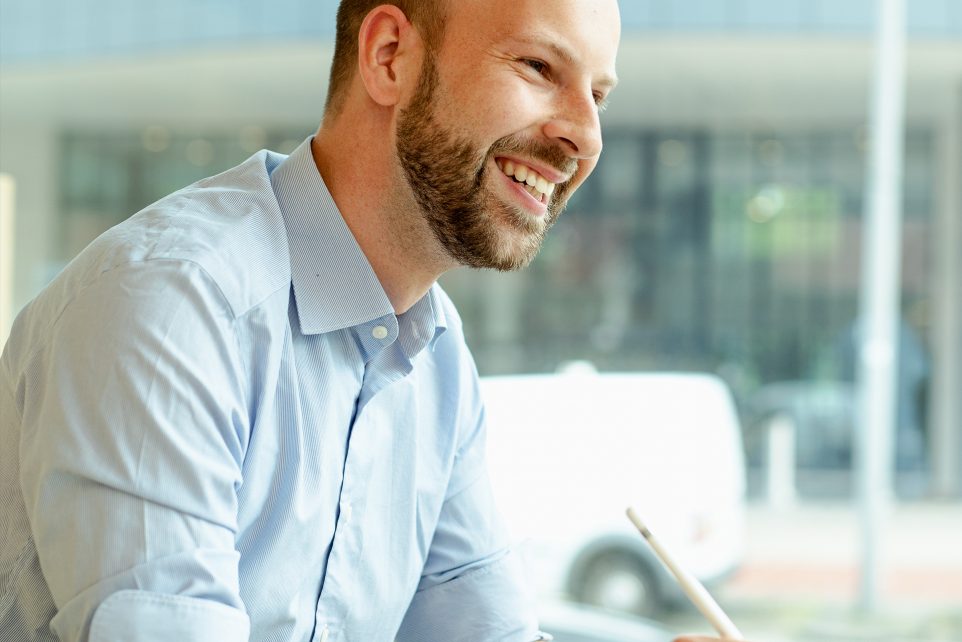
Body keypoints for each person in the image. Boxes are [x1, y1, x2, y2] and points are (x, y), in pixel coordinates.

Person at [0, 1, 738, 641]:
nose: (587, 135)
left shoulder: (436, 354)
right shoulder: (171, 306)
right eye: (540, 68)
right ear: (390, 56)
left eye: (599, 95)